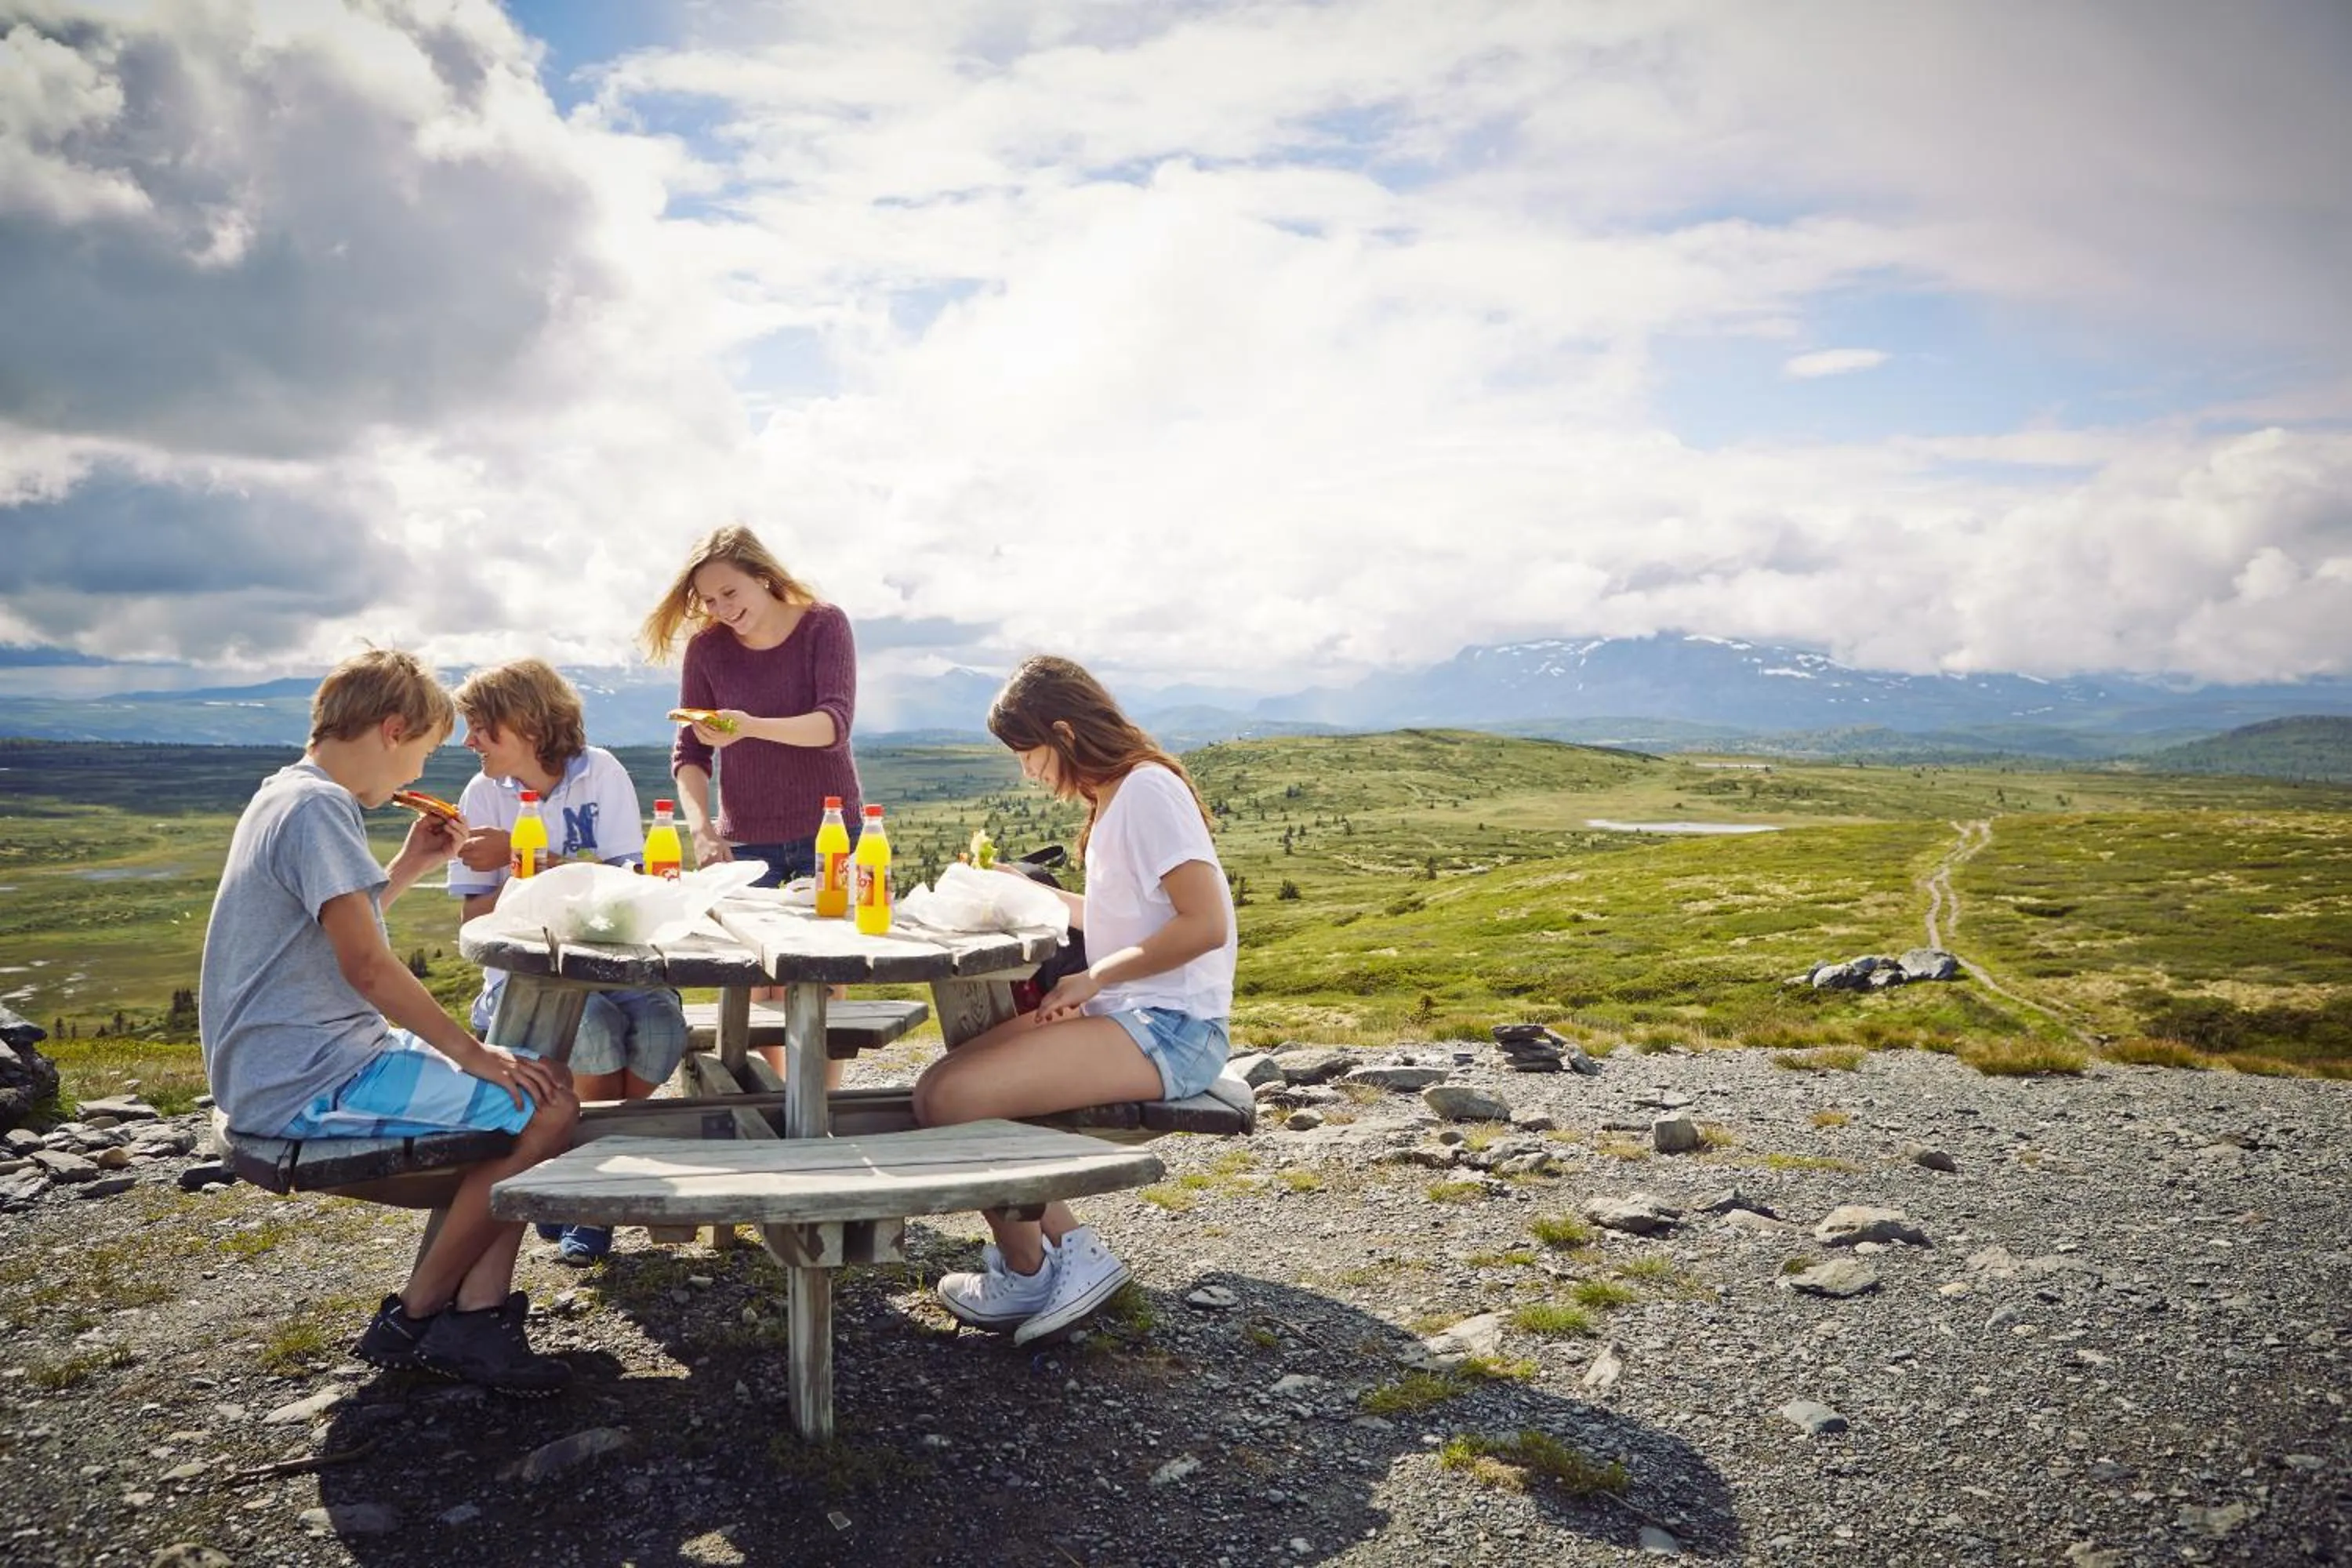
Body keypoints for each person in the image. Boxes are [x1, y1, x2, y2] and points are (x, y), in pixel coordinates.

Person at [198, 649, 579, 1395]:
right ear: (393, 729)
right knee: (545, 1108)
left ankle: (480, 1316)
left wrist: (408, 867)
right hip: (311, 1077)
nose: (415, 774)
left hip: (296, 1061)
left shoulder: (286, 793)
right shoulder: (319, 809)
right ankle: (418, 1316)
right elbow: (368, 968)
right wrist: (473, 1054)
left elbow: (324, 934)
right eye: (423, 753)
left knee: (539, 1084)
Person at [912, 655, 1235, 1345]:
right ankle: (1044, 1262)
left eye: (1027, 753)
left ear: (1063, 732)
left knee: (956, 1099)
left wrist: (1094, 977)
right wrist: (1021, 889)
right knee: (939, 1087)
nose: (1027, 772)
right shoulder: (1116, 795)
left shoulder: (1147, 791)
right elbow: (1123, 916)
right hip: (1136, 1014)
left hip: (1174, 1029)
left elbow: (1206, 924)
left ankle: (1053, 1261)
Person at [445, 658, 689, 1265]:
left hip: (612, 964)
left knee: (663, 1029)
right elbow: (475, 918)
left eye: (481, 727)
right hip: (525, 980)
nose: (469, 741)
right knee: (595, 1031)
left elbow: (630, 888)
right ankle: (591, 1202)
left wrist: (528, 858)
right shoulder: (481, 794)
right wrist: (543, 878)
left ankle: (573, 1164)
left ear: (527, 723)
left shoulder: (600, 772)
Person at [640, 524, 862, 1080]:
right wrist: (702, 830)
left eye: (729, 593)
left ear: (762, 575)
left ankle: (819, 1107)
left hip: (829, 831)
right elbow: (690, 753)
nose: (721, 609)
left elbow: (833, 726)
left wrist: (749, 726)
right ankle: (780, 1097)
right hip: (744, 843)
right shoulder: (707, 650)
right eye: (708, 601)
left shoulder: (824, 625)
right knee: (752, 983)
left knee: (822, 977)